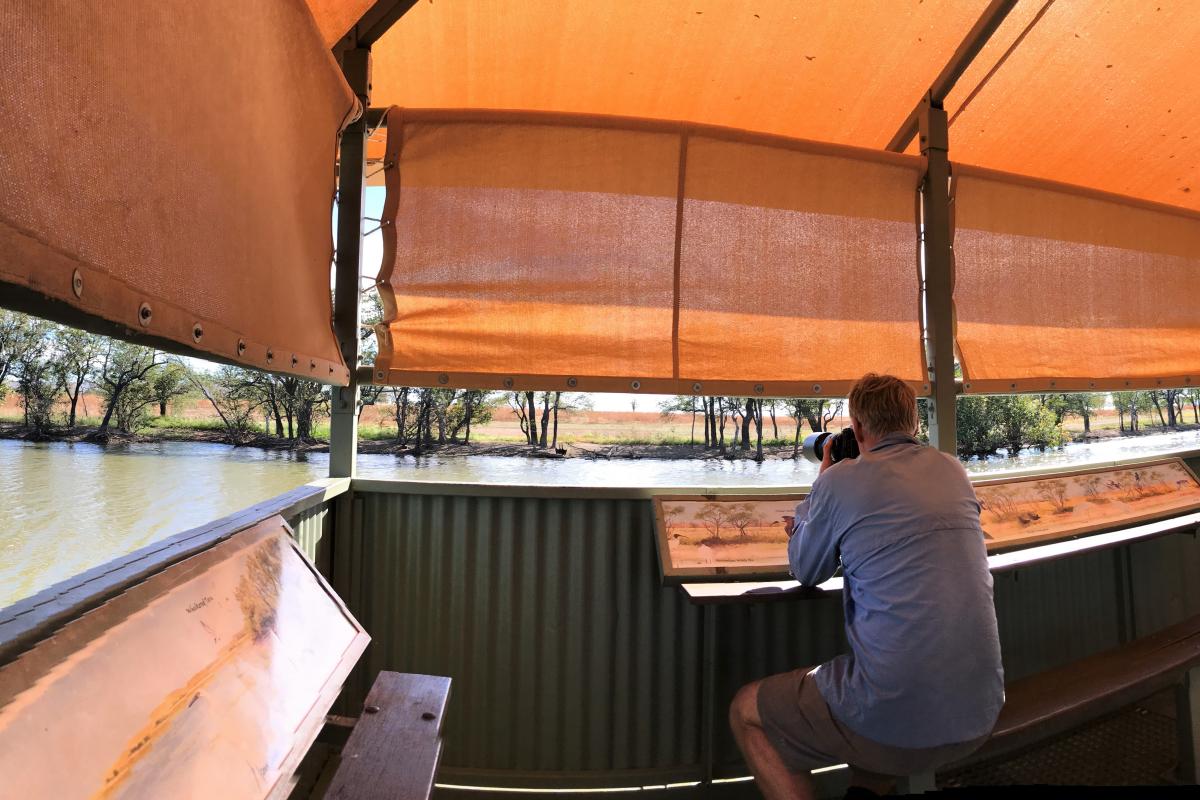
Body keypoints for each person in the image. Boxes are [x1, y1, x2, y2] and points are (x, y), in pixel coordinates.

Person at [729, 373, 1004, 799]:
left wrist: (823, 480)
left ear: (857, 428)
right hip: (980, 711)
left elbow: (806, 569)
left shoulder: (840, 481)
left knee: (746, 710)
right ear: (913, 423)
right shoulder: (952, 469)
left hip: (900, 716)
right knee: (868, 675)